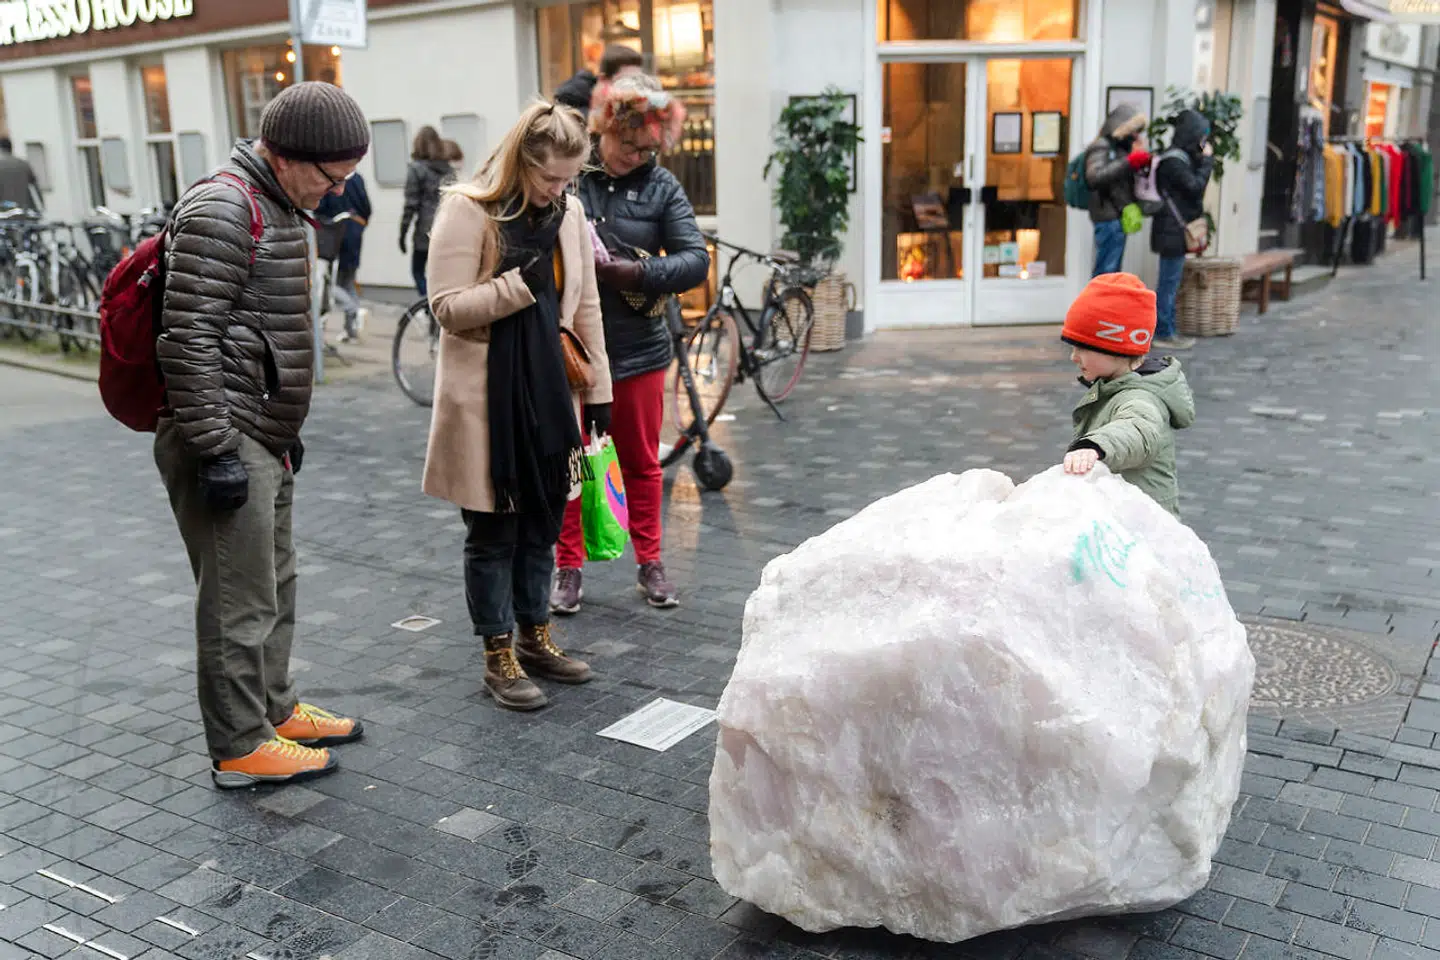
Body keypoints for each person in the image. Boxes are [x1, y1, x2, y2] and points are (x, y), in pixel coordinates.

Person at [154, 81, 370, 789]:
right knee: (236, 600)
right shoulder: (225, 208)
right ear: (288, 156)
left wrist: (280, 425)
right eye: (331, 177)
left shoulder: (276, 203)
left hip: (259, 428)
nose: (335, 193)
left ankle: (274, 709)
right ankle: (240, 743)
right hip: (224, 431)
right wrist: (217, 449)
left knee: (274, 581)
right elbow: (187, 339)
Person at [422, 101, 611, 712]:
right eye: (550, 177)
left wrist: (599, 393)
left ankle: (535, 637)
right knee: (493, 532)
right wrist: (517, 286)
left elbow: (585, 308)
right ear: (520, 162)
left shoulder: (568, 212)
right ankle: (497, 654)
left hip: (551, 394)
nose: (559, 190)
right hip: (489, 402)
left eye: (569, 179)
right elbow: (446, 307)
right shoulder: (469, 209)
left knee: (543, 524)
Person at [552, 73, 709, 614]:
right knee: (572, 463)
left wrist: (638, 274)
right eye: (627, 143)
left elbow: (694, 259)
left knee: (641, 462)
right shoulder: (571, 177)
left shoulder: (661, 187)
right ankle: (568, 566)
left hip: (639, 349)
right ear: (603, 128)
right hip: (575, 351)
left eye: (647, 148)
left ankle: (651, 562)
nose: (635, 156)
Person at [1059, 273, 1196, 519]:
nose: (1074, 357)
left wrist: (1095, 446)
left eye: (1082, 348)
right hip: (1125, 517)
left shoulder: (1140, 397)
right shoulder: (1112, 384)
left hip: (1146, 527)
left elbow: (1137, 429)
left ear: (1116, 349)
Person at [1150, 109, 1215, 351]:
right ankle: (1163, 332)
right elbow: (1194, 187)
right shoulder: (1174, 161)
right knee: (1168, 283)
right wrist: (1207, 161)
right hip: (1172, 230)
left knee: (1171, 281)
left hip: (1172, 229)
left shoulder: (1179, 158)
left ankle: (1168, 329)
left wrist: (1200, 158)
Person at [1084, 104, 1150, 277]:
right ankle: (1099, 297)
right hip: (1108, 216)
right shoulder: (1102, 146)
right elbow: (1095, 177)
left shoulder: (1121, 148)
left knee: (1112, 272)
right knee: (1106, 272)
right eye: (1133, 131)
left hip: (1117, 215)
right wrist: (1129, 161)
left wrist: (1139, 160)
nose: (1136, 135)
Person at [315, 169, 371, 343]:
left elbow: (321, 207)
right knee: (348, 281)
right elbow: (367, 208)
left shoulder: (331, 176)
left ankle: (353, 310)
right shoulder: (357, 178)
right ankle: (351, 329)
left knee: (330, 284)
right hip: (355, 233)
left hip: (333, 235)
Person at [400, 126, 454, 297]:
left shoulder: (416, 169)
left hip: (425, 229)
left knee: (418, 271)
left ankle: (427, 304)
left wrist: (402, 234)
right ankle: (437, 305)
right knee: (442, 274)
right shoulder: (449, 169)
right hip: (448, 227)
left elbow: (410, 205)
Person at [554, 44, 645, 118]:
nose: (633, 89)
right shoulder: (575, 116)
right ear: (603, 81)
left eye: (637, 81)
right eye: (624, 82)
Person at [0, 138, 41, 211]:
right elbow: (35, 186)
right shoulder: (24, 164)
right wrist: (41, 204)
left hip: (4, 210)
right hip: (23, 208)